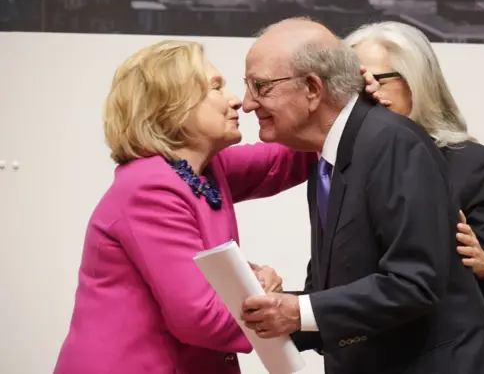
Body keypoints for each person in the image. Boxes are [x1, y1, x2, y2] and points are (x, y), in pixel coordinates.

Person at [238, 18, 484, 374]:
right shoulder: (331, 157)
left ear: (312, 88)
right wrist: (267, 310)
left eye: (260, 87)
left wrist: (296, 312)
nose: (247, 104)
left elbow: (413, 283)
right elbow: (338, 287)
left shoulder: (392, 144)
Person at [53, 40, 318, 374]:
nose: (236, 99)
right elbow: (201, 318)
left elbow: (290, 157)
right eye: (216, 88)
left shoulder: (206, 169)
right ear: (171, 107)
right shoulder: (150, 187)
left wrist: (344, 107)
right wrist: (275, 302)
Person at [345, 20, 484, 323]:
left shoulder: (473, 166)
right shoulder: (341, 167)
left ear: (416, 82)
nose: (365, 95)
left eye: (374, 80)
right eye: (352, 85)